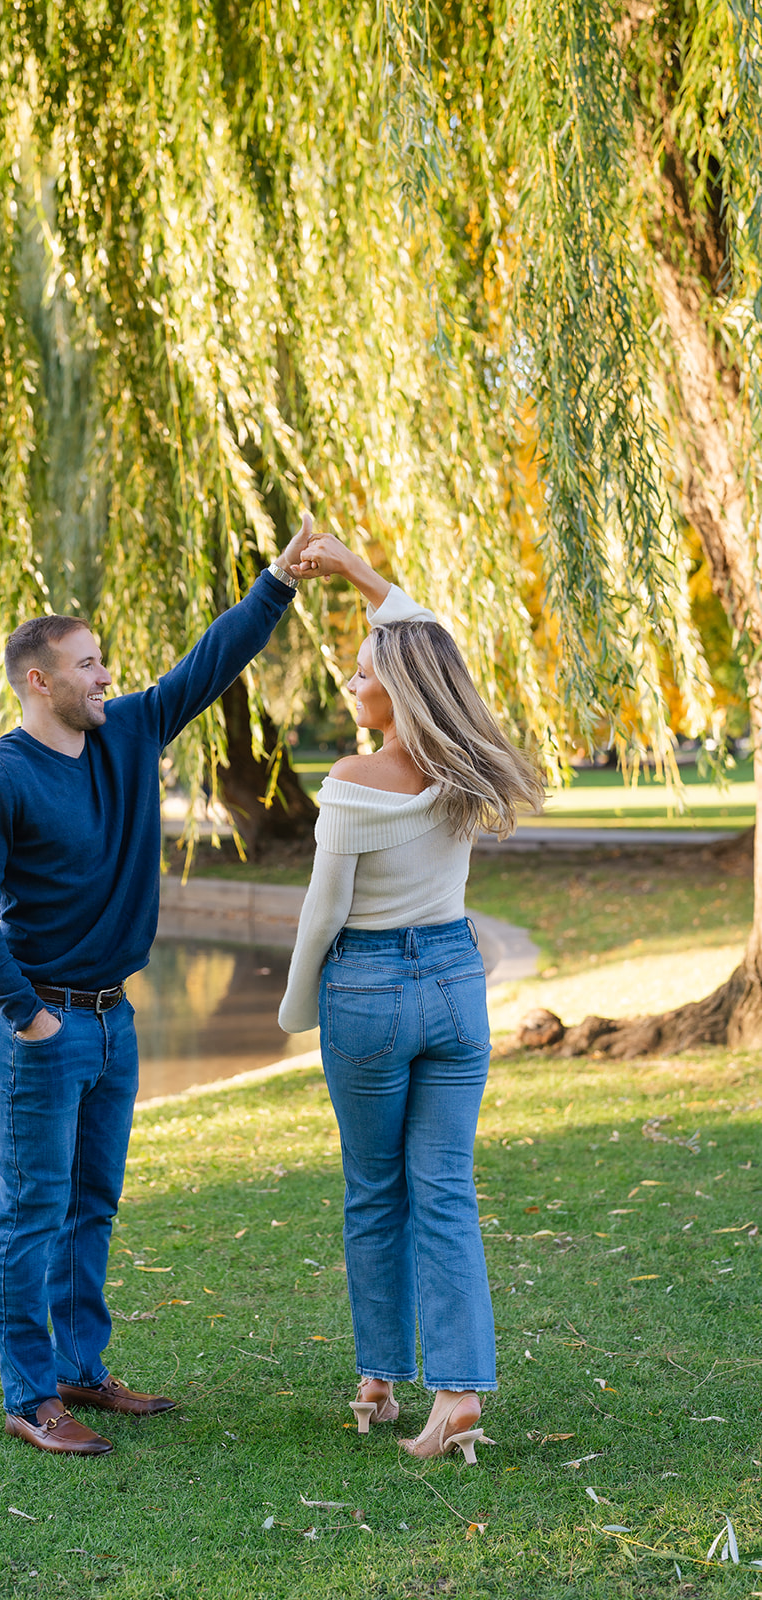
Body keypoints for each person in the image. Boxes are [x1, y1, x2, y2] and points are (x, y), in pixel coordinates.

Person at [0, 521, 314, 1456]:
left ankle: (79, 1369)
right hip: (43, 1023)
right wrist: (24, 1013)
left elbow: (206, 664)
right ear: (39, 680)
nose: (106, 676)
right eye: (88, 663)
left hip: (114, 1018)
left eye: (104, 661)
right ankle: (32, 1397)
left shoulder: (129, 731)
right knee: (30, 1211)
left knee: (91, 1204)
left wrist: (274, 581)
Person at [278, 531, 543, 1462]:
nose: (349, 688)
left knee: (372, 1190)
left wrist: (294, 1009)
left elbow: (321, 916)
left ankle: (379, 1379)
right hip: (457, 984)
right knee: (445, 1193)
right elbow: (431, 639)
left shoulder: (353, 783)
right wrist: (358, 574)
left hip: (370, 989)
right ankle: (458, 1391)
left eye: (361, 676)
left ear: (398, 689)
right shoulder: (464, 766)